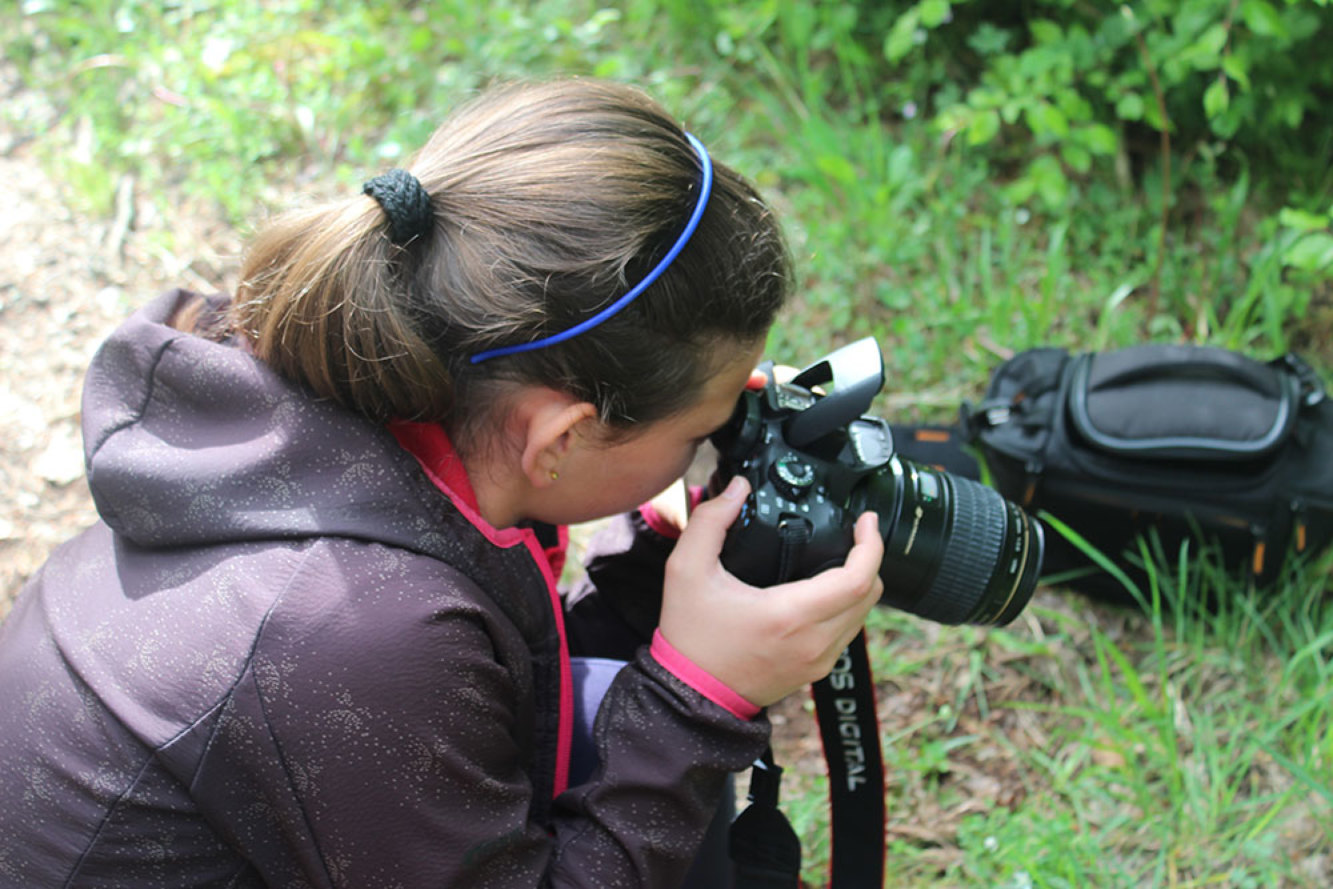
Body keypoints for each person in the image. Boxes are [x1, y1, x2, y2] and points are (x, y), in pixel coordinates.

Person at [0, 78, 883, 888]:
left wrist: (655, 563)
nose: (714, 445)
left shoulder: (374, 403)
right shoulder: (362, 631)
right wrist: (699, 698)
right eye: (701, 433)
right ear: (560, 436)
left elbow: (507, 685)